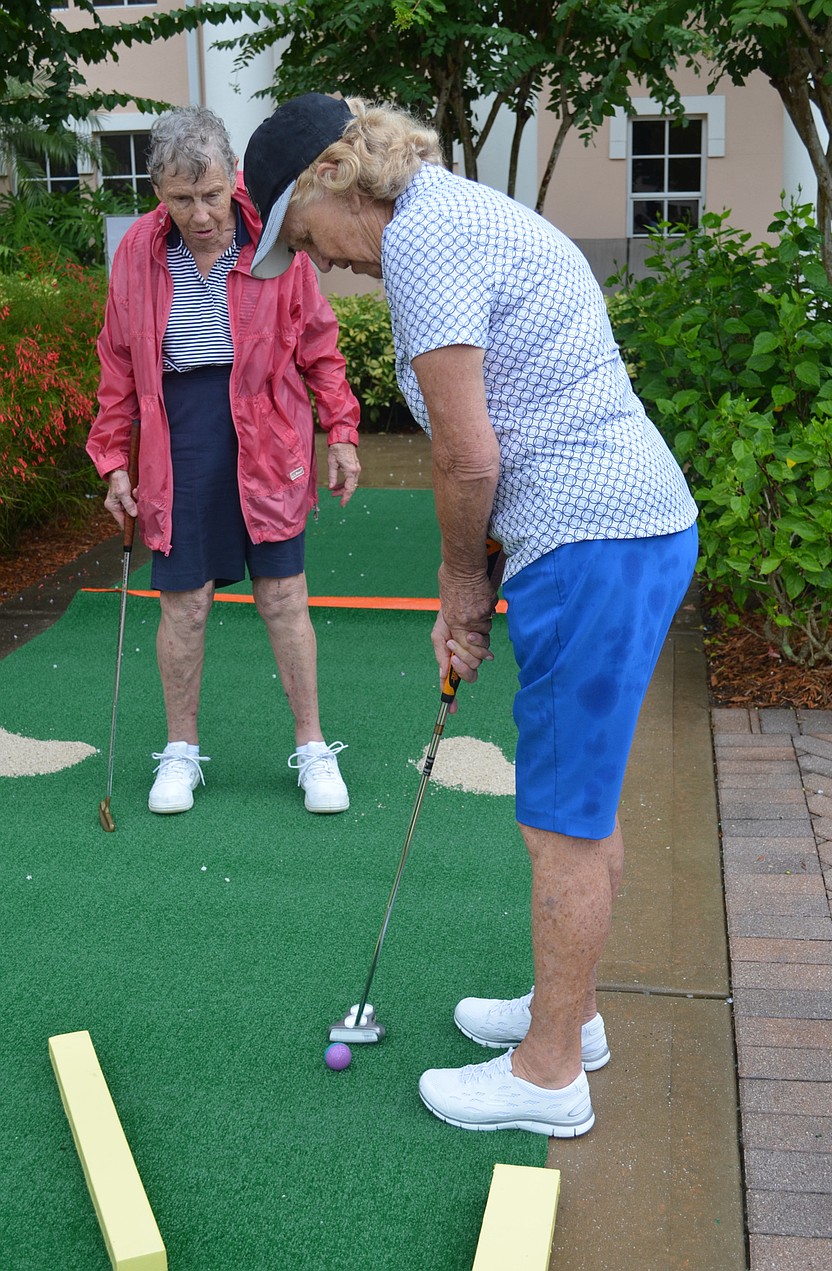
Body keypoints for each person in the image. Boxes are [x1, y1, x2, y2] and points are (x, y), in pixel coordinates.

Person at [243, 94, 699, 1136]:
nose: (316, 262)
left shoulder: (423, 242)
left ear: (328, 180)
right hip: (620, 533)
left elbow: (467, 453)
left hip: (595, 544)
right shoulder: (451, 214)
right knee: (581, 796)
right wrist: (482, 587)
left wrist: (459, 590)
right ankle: (564, 1015)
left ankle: (546, 1078)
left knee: (560, 822)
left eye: (301, 237)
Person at [88, 105, 361, 818]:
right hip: (180, 435)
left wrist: (344, 430)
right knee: (185, 604)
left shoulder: (272, 238)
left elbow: (318, 343)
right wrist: (114, 455)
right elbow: (117, 360)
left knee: (282, 596)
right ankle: (181, 750)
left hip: (268, 430)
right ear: (158, 191)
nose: (201, 213)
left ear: (231, 177)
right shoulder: (139, 255)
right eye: (182, 198)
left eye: (211, 193)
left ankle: (311, 746)